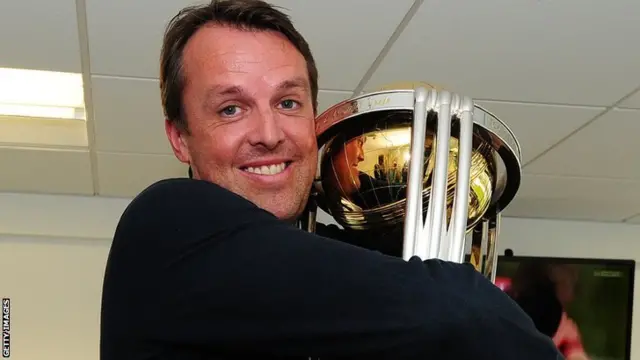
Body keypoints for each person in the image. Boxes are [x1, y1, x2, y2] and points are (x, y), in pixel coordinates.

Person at [99, 1, 564, 359]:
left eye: (288, 103)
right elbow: (463, 313)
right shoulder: (168, 225)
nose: (269, 134)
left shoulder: (322, 272)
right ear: (180, 139)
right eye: (231, 109)